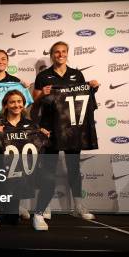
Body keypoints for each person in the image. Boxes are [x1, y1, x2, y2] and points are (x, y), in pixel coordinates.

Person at [32, 41, 100, 222]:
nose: (60, 55)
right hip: (50, 128)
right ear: (51, 55)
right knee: (48, 168)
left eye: (63, 52)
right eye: (56, 52)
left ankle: (78, 205)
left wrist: (93, 87)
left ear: (67, 53)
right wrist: (42, 94)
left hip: (72, 129)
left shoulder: (76, 74)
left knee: (73, 167)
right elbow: (34, 101)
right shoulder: (43, 76)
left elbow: (83, 97)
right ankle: (44, 206)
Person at [0, 90, 50, 230]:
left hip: (25, 172)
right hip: (5, 174)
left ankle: (32, 211)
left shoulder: (32, 126)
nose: (16, 105)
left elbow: (39, 147)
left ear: (23, 104)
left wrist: (43, 135)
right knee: (11, 220)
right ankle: (13, 207)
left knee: (49, 178)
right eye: (12, 102)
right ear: (5, 105)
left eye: (19, 102)